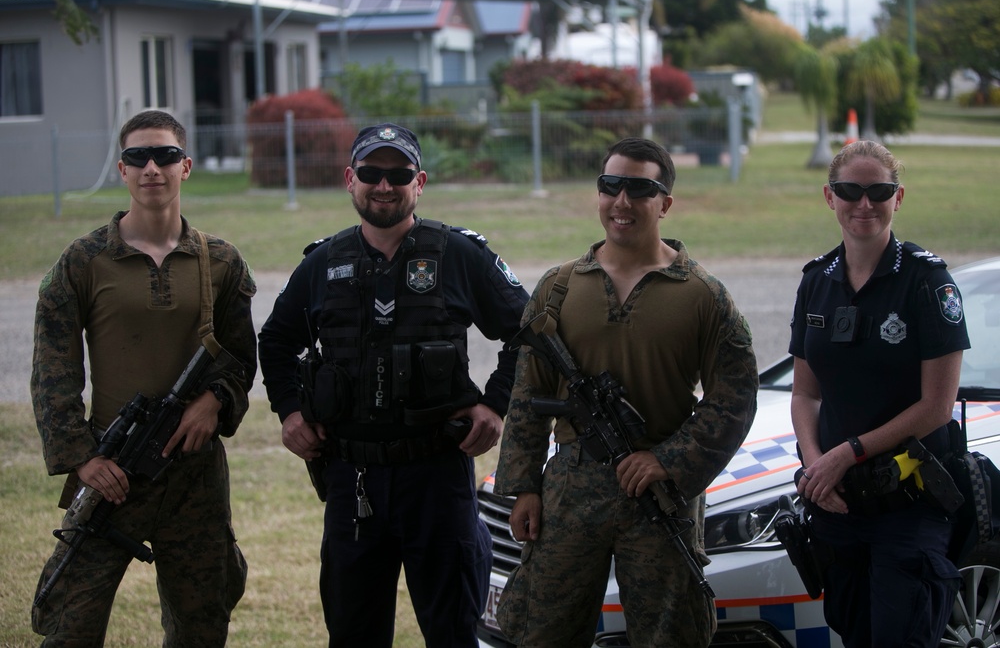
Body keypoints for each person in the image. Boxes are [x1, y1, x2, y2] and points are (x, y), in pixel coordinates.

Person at [257, 122, 529, 647]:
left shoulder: (459, 256)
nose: (384, 185)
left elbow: (529, 331)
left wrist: (496, 405)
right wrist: (289, 410)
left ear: (419, 182)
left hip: (437, 476)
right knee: (355, 634)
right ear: (350, 179)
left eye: (399, 173)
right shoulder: (321, 264)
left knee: (453, 631)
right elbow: (274, 341)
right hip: (351, 480)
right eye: (371, 173)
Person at [494, 137, 759, 647]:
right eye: (610, 186)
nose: (621, 202)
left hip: (658, 496)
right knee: (542, 632)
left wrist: (667, 460)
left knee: (669, 635)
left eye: (639, 189)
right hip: (569, 491)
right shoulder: (560, 287)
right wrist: (524, 486)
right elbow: (528, 396)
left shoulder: (702, 295)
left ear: (665, 203)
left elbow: (735, 399)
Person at [30, 110, 257, 645]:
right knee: (70, 623)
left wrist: (215, 403)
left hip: (194, 475)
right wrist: (84, 457)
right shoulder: (84, 261)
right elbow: (52, 370)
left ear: (186, 167)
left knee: (201, 624)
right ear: (122, 170)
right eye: (138, 157)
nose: (152, 167)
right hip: (114, 470)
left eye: (165, 156)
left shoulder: (220, 260)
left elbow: (242, 356)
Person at [789, 140, 969, 647]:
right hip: (837, 506)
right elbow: (805, 394)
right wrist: (816, 465)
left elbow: (936, 406)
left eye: (879, 191)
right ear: (830, 196)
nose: (864, 204)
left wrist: (846, 454)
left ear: (899, 197)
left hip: (906, 507)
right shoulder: (815, 282)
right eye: (850, 190)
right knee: (854, 634)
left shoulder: (927, 283)